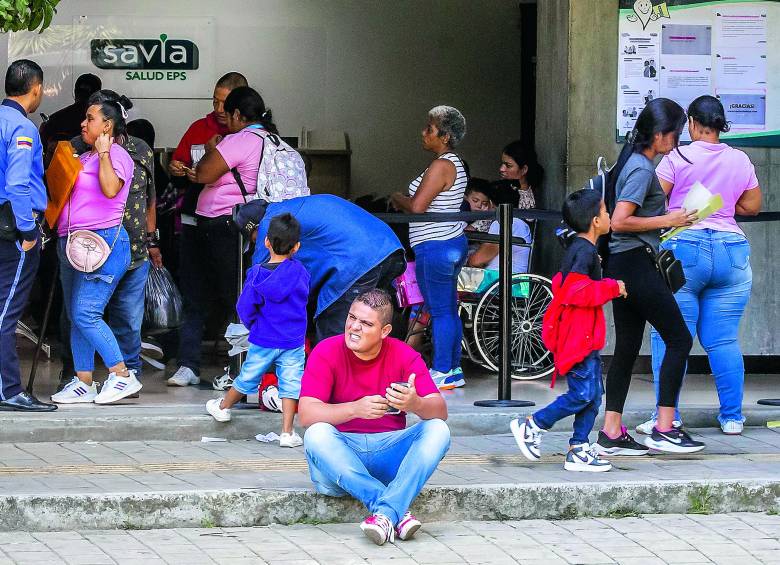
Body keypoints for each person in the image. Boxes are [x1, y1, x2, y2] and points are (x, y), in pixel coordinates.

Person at [637, 95, 762, 437]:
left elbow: (654, 200)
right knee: (723, 341)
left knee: (671, 336)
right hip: (732, 252)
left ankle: (668, 416)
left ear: (691, 123)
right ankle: (733, 417)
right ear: (721, 124)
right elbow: (752, 205)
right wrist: (723, 204)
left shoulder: (677, 156)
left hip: (685, 251)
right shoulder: (740, 159)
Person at [593, 98, 702, 456]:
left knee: (626, 348)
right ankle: (665, 428)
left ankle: (611, 431)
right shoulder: (641, 167)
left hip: (622, 264)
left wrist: (665, 219)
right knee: (679, 338)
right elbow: (621, 220)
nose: (678, 139)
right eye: (675, 132)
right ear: (659, 134)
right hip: (636, 264)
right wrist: (668, 220)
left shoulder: (630, 160)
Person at [299, 289, 450, 546]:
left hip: (388, 455)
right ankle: (394, 511)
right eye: (351, 318)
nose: (354, 327)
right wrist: (354, 409)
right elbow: (306, 413)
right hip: (339, 464)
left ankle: (384, 513)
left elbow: (440, 411)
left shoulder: (404, 355)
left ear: (385, 331)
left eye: (366, 323)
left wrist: (416, 403)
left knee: (438, 430)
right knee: (315, 434)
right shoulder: (326, 351)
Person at [511, 190, 626, 472]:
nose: (610, 215)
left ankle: (579, 448)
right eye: (606, 211)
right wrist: (613, 287)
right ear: (595, 220)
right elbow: (575, 291)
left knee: (593, 394)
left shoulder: (580, 248)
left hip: (585, 337)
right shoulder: (584, 251)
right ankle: (533, 424)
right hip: (579, 339)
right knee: (582, 394)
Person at [55, 91, 160, 393]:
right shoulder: (84, 155)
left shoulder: (119, 156)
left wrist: (103, 153)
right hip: (73, 243)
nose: (83, 123)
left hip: (102, 243)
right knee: (77, 314)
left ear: (108, 126)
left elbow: (111, 189)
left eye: (90, 119)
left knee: (85, 313)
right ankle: (84, 382)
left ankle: (122, 374)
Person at [169, 86, 273, 388]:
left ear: (238, 112)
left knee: (232, 297)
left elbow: (203, 173)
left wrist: (211, 151)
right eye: (214, 101)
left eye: (224, 105)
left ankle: (239, 369)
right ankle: (197, 364)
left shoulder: (242, 139)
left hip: (226, 226)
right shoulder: (266, 138)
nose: (219, 109)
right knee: (204, 293)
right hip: (209, 223)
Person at [206, 213, 309, 448]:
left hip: (264, 337)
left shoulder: (256, 276)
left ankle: (223, 408)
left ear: (266, 242)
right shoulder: (301, 272)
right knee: (291, 383)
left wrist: (254, 325)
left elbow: (244, 307)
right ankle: (287, 432)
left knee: (248, 376)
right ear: (297, 247)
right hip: (292, 339)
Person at [243, 194, 405, 344]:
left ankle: (335, 375)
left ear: (254, 228)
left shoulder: (271, 222)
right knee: (369, 326)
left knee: (333, 332)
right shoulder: (295, 207)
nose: (257, 244)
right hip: (389, 249)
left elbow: (260, 278)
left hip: (357, 261)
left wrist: (248, 320)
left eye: (253, 240)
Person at [390, 105, 469, 390]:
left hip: (436, 245)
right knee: (446, 307)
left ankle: (443, 369)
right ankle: (454, 368)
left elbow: (418, 207)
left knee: (441, 310)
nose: (424, 133)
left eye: (430, 129)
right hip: (449, 242)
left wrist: (397, 197)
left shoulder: (442, 165)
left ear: (445, 136)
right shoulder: (452, 163)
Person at [0, 59, 56, 411]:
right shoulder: (22, 127)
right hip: (12, 227)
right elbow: (18, 184)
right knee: (7, 313)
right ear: (35, 88)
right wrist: (28, 231)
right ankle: (8, 391)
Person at [467, 188, 532, 274]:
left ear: (490, 203)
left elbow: (477, 261)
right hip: (515, 279)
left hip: (498, 278)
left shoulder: (504, 222)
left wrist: (468, 261)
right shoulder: (518, 223)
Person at [39, 73, 101, 163]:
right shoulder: (100, 123)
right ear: (97, 96)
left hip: (55, 169)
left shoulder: (55, 118)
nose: (84, 124)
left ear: (75, 92)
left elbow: (42, 147)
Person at [491, 140, 543, 209]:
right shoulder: (497, 188)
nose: (501, 169)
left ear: (524, 169)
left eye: (508, 165)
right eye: (502, 164)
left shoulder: (537, 195)